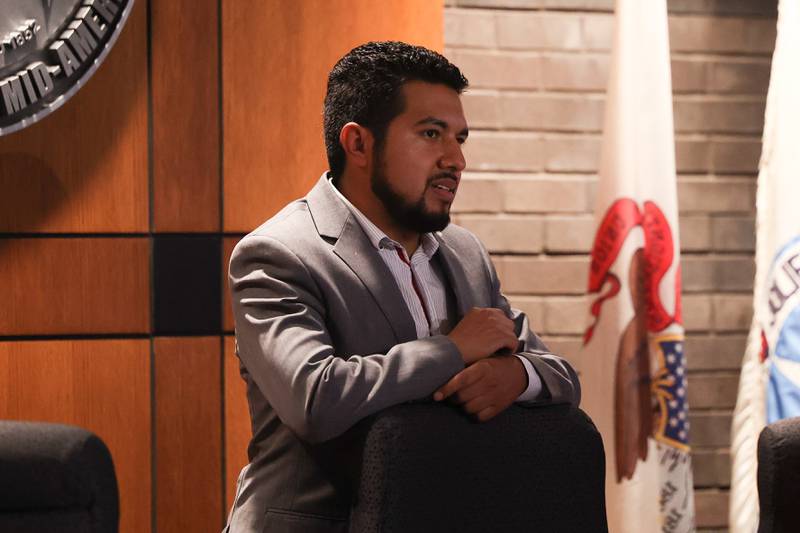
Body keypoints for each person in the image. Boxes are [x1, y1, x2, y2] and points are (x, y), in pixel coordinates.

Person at [224, 41, 581, 533]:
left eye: (460, 138)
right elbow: (316, 399)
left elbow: (560, 374)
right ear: (359, 144)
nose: (456, 159)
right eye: (431, 134)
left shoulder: (465, 253)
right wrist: (453, 351)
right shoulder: (278, 254)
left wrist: (516, 377)